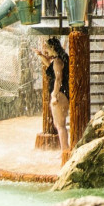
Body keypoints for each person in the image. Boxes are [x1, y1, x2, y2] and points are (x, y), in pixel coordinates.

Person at [35, 37, 72, 165]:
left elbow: (58, 78)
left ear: (52, 48)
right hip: (64, 94)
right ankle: (64, 150)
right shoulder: (61, 58)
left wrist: (54, 94)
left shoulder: (57, 60)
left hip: (59, 95)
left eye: (47, 47)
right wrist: (41, 56)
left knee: (60, 125)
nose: (45, 49)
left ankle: (64, 151)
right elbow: (50, 68)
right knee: (59, 124)